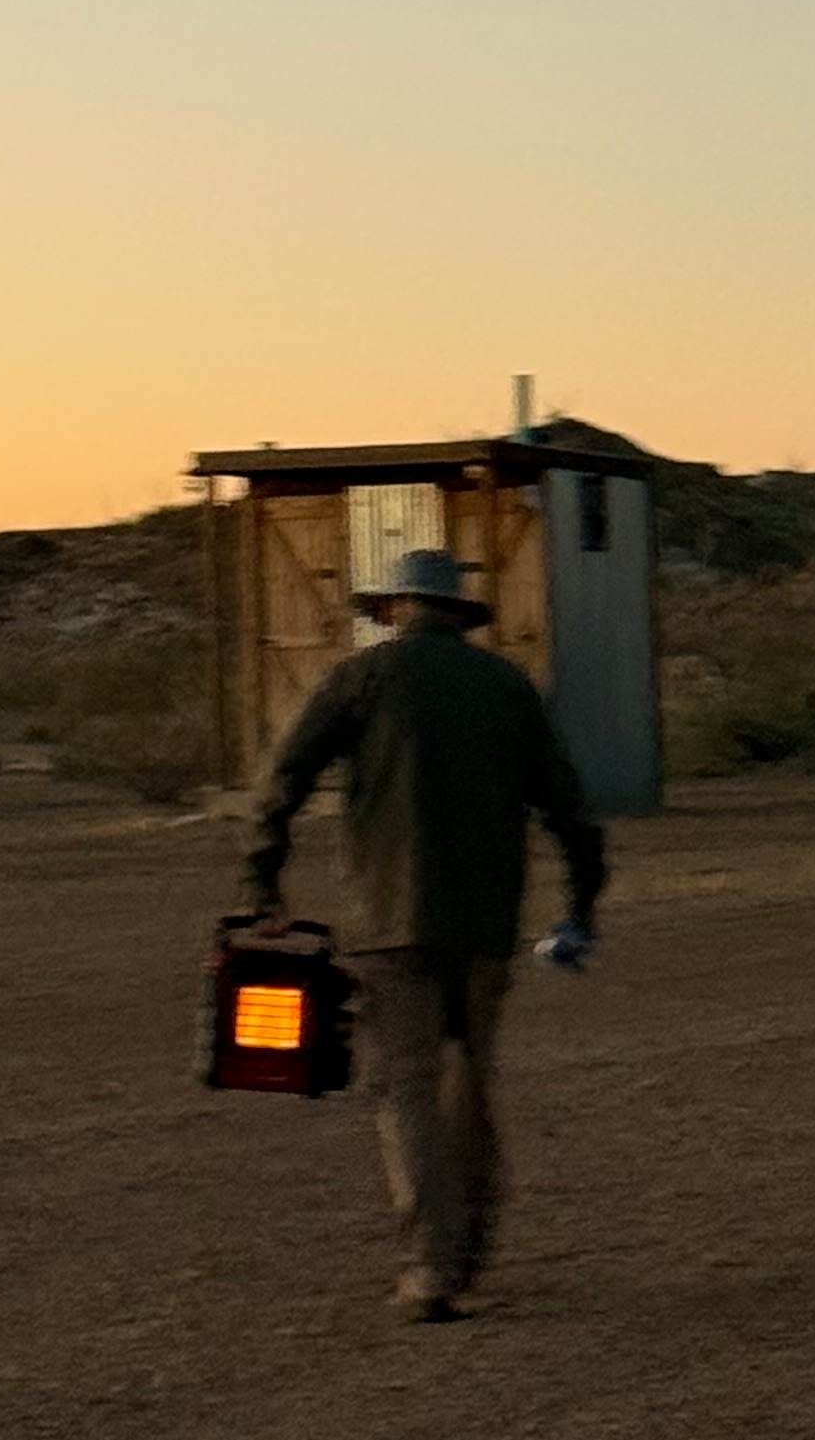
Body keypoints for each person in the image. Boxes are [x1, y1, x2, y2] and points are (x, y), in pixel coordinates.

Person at [241, 546, 606, 1324]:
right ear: (456, 611)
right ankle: (469, 1257)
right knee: (470, 1082)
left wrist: (262, 882)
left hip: (385, 923)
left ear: (395, 608)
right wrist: (581, 907)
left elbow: (281, 783)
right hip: (483, 924)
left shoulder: (360, 678)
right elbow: (570, 810)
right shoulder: (507, 685)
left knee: (405, 1092)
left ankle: (427, 1270)